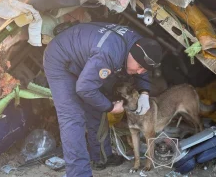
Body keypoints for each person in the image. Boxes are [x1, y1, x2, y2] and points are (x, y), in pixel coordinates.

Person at [43, 22, 162, 177]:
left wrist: (145, 92)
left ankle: (101, 158)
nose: (139, 72)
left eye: (144, 69)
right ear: (133, 54)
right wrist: (110, 108)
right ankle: (79, 174)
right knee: (72, 118)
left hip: (84, 55)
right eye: (139, 66)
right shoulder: (109, 54)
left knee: (95, 105)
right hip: (60, 59)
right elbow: (84, 88)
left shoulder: (139, 44)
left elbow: (142, 66)